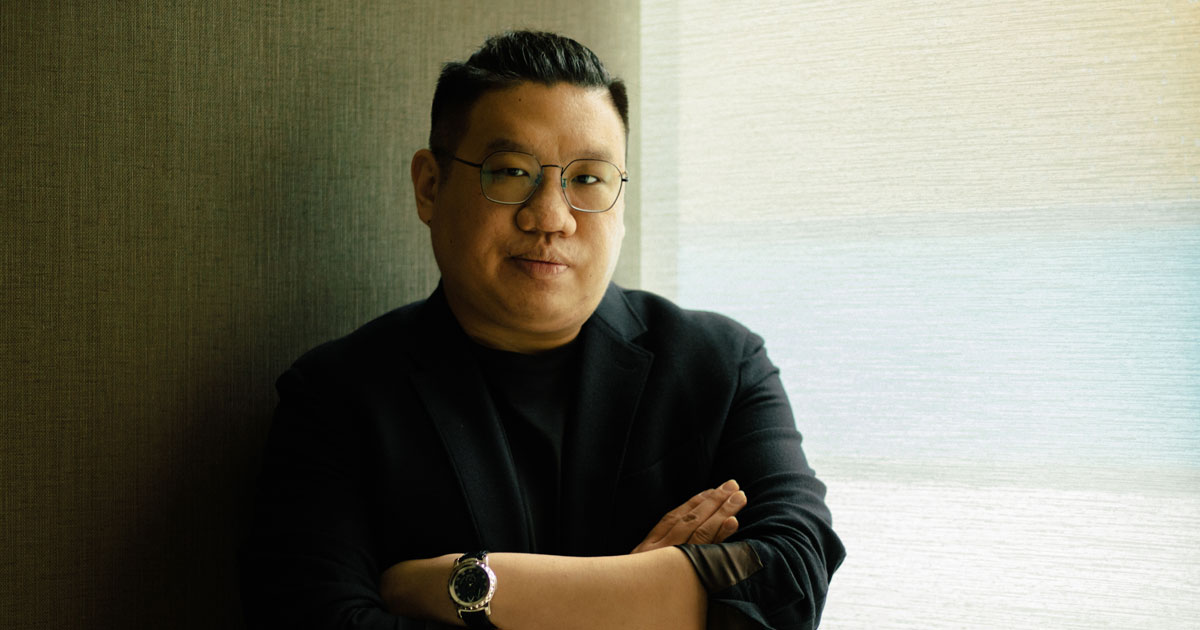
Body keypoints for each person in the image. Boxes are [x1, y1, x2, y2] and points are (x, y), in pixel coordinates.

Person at [240, 30, 844, 630]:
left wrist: (454, 586)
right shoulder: (334, 397)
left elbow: (792, 580)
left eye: (588, 179)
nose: (551, 217)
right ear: (430, 186)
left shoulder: (722, 363)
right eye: (511, 172)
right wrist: (640, 596)